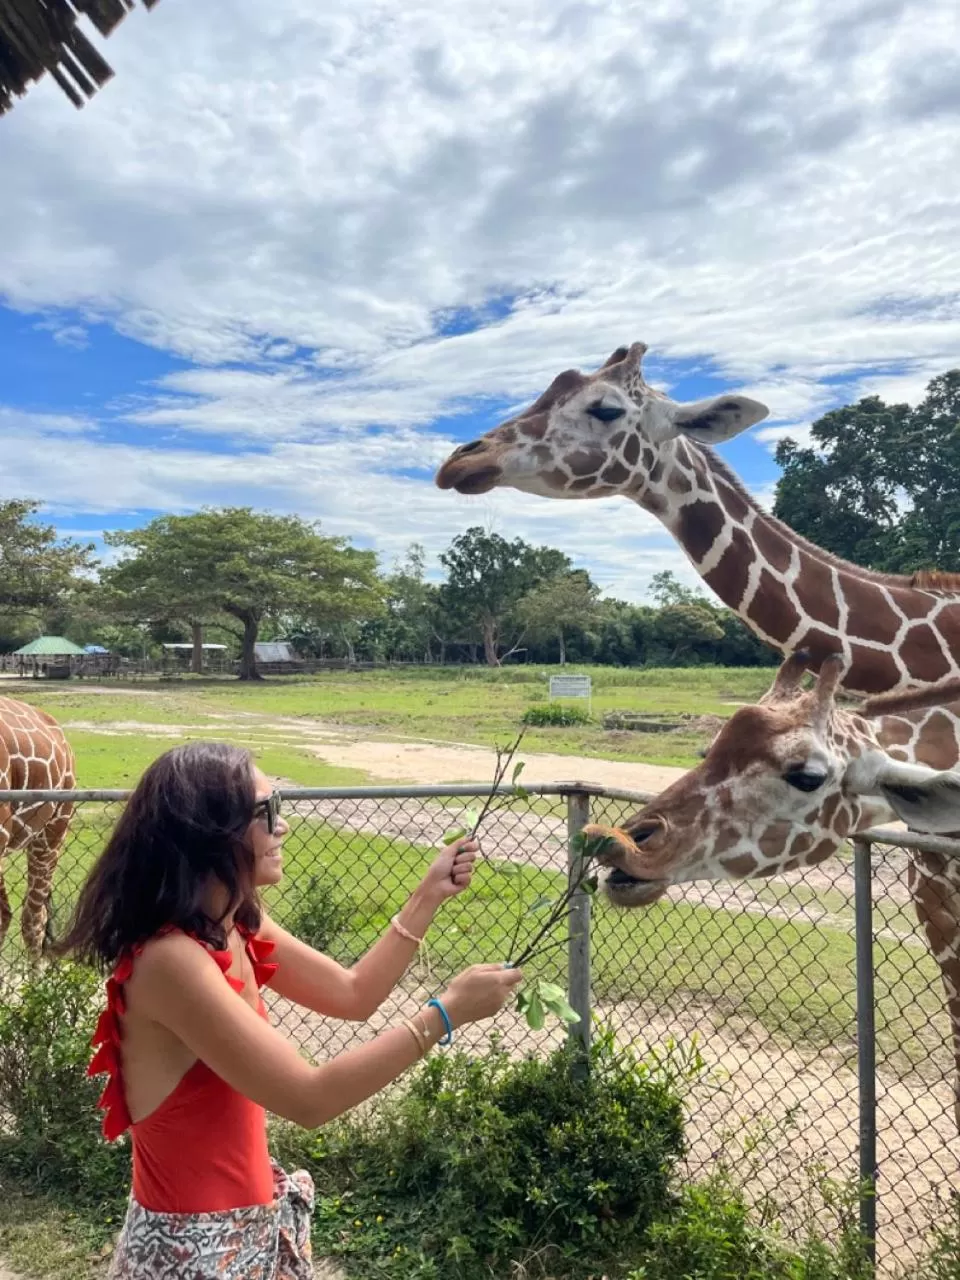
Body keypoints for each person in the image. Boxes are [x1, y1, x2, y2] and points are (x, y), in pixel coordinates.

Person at [59, 741, 523, 1279]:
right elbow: (310, 1098)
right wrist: (445, 1014)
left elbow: (353, 994)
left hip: (243, 1234)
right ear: (210, 831)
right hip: (190, 1253)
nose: (283, 827)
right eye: (267, 810)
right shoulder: (171, 962)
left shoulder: (236, 922)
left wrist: (427, 895)